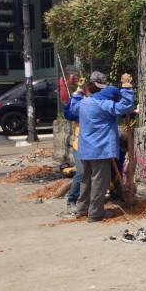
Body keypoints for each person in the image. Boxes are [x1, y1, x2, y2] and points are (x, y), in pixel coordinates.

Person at [69, 72, 134, 222]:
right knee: (100, 181)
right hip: (100, 149)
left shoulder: (83, 103)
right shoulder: (103, 105)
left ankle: (82, 209)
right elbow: (125, 106)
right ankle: (96, 213)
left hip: (85, 149)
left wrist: (78, 90)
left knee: (87, 180)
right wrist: (127, 88)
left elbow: (73, 107)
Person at [63, 77, 86, 214]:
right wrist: (77, 95)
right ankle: (72, 199)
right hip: (80, 145)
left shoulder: (99, 102)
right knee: (82, 172)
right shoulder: (80, 105)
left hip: (96, 146)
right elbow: (70, 114)